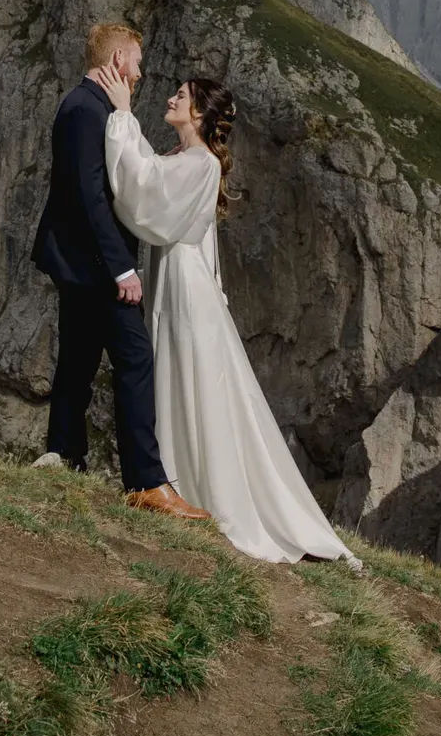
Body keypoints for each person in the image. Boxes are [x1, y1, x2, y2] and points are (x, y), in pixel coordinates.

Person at [93, 61, 364, 569]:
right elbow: (149, 177)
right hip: (176, 282)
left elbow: (146, 198)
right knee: (178, 377)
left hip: (186, 290)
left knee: (192, 378)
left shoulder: (201, 165)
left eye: (181, 95)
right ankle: (176, 481)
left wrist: (122, 116)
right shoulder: (188, 158)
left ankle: (196, 486)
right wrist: (125, 122)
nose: (171, 99)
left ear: (198, 112)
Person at [31, 23, 211, 521]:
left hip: (84, 262)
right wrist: (122, 269)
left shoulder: (94, 107)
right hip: (96, 265)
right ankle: (146, 482)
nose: (141, 71)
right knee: (134, 361)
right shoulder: (87, 109)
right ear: (116, 63)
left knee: (79, 358)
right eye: (135, 61)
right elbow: (92, 196)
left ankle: (65, 452)